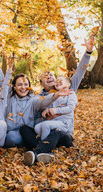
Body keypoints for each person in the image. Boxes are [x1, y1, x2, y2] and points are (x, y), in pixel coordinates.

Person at [22, 34, 95, 165]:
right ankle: (44, 150)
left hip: (62, 133)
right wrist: (47, 116)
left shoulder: (68, 89)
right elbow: (39, 117)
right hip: (47, 129)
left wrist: (88, 52)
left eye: (51, 75)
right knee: (26, 129)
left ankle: (38, 152)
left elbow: (80, 71)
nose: (49, 77)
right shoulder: (40, 97)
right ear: (41, 83)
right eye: (45, 76)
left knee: (56, 131)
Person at [34, 75, 78, 140]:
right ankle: (50, 140)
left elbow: (71, 108)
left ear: (68, 84)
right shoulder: (55, 95)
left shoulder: (71, 93)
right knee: (37, 128)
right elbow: (50, 108)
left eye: (60, 80)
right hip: (54, 121)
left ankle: (44, 145)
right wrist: (47, 110)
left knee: (46, 125)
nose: (57, 82)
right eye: (57, 81)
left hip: (64, 122)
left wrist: (56, 110)